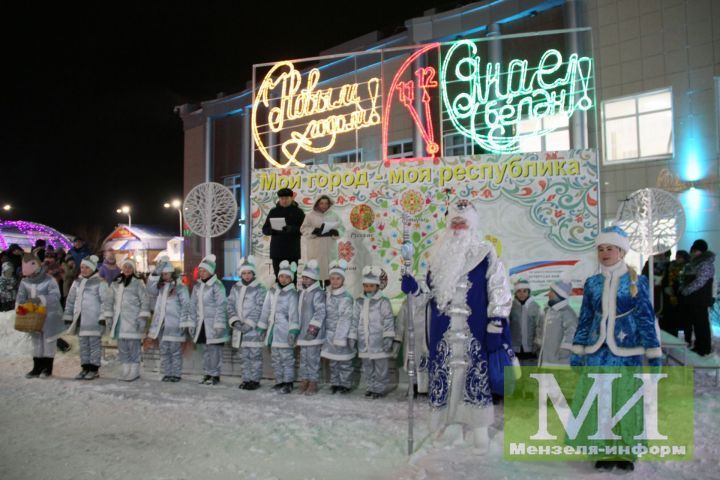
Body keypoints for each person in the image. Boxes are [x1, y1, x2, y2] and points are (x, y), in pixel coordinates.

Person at [401, 200, 515, 454]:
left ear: (472, 224)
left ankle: (479, 433)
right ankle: (447, 426)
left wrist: (497, 320)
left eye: (463, 221)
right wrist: (416, 288)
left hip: (475, 330)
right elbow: (429, 293)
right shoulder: (437, 255)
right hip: (444, 331)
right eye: (454, 221)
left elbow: (499, 287)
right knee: (444, 379)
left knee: (476, 380)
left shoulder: (485, 253)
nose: (458, 225)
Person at [570, 226, 662, 471]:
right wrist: (578, 348)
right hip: (597, 350)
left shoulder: (636, 281)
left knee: (626, 398)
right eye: (600, 249)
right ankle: (603, 450)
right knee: (600, 398)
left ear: (621, 251)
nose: (604, 252)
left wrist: (653, 352)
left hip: (627, 350)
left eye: (610, 248)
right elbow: (586, 317)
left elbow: (645, 317)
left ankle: (625, 451)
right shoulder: (592, 283)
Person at [63, 255, 111, 380]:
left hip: (94, 320)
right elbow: (70, 300)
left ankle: (94, 369)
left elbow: (105, 301)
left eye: (86, 267)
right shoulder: (77, 282)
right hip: (81, 321)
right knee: (83, 345)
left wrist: (103, 317)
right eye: (82, 267)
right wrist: (68, 315)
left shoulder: (100, 283)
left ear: (93, 268)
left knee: (94, 344)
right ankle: (85, 367)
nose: (83, 270)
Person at [17, 253, 64, 378]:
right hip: (33, 317)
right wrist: (20, 307)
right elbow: (21, 296)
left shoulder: (49, 280)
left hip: (50, 315)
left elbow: (55, 296)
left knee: (48, 341)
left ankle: (47, 368)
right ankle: (36, 368)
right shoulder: (25, 282)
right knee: (36, 341)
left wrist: (41, 299)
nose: (30, 276)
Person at [257, 260, 299, 394]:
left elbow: (294, 314)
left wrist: (293, 331)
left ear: (291, 278)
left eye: (287, 277)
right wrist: (262, 327)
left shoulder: (292, 293)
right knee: (276, 359)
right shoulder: (272, 291)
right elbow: (265, 309)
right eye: (281, 276)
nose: (284, 279)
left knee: (287, 359)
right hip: (273, 332)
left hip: (285, 331)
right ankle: (279, 381)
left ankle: (288, 382)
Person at [354, 265, 395, 399]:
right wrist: (352, 336)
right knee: (367, 366)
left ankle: (380, 388)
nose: (368, 289)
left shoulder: (383, 302)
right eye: (366, 286)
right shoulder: (359, 301)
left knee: (380, 367)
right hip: (364, 341)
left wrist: (388, 337)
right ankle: (371, 386)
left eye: (371, 286)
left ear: (377, 286)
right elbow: (354, 319)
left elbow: (388, 319)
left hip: (379, 342)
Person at [106, 258, 150, 381]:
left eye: (130, 267)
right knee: (122, 346)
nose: (127, 269)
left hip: (133, 320)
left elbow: (145, 301)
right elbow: (109, 300)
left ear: (133, 269)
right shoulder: (116, 283)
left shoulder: (138, 283)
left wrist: (142, 317)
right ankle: (126, 369)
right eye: (125, 267)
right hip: (119, 320)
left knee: (133, 346)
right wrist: (109, 316)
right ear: (122, 268)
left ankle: (135, 370)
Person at [147, 262, 192, 382]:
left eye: (166, 274)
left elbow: (186, 305)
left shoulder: (181, 287)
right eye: (162, 274)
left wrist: (183, 322)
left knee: (175, 351)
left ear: (172, 273)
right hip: (162, 326)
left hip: (175, 325)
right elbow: (150, 290)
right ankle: (167, 373)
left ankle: (176, 374)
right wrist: (155, 274)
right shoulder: (160, 287)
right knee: (164, 351)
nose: (164, 276)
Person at [227, 256, 267, 390]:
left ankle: (254, 380)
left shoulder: (260, 288)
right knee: (244, 356)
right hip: (239, 329)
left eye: (249, 273)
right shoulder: (235, 288)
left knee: (255, 355)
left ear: (253, 273)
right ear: (240, 274)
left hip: (253, 329)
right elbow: (230, 305)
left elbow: (259, 307)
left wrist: (249, 323)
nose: (247, 275)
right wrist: (235, 321)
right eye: (244, 273)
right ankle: (246, 378)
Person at [189, 254, 229, 386]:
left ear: (211, 271)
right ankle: (207, 373)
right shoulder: (197, 287)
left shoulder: (217, 286)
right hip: (202, 325)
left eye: (204, 270)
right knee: (205, 350)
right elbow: (193, 306)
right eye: (200, 270)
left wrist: (219, 324)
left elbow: (221, 305)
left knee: (215, 351)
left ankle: (215, 375)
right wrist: (192, 322)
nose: (202, 273)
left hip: (213, 325)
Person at [320, 260, 356, 394]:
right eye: (332, 278)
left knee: (344, 362)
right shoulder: (328, 295)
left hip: (342, 335)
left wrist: (340, 337)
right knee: (334, 361)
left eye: (338, 278)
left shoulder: (346, 298)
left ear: (343, 279)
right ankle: (335, 383)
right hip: (330, 334)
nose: (335, 281)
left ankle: (345, 384)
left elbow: (345, 318)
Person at [679, 239, 715, 356]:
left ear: (701, 251)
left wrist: (686, 290)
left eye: (696, 250)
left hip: (701, 299)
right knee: (697, 324)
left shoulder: (706, 265)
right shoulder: (695, 264)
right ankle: (699, 345)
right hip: (694, 299)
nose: (693, 253)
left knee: (702, 324)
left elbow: (699, 282)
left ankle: (704, 348)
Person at [261, 188, 305, 284]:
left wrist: (292, 229)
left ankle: (292, 297)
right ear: (279, 199)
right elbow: (265, 229)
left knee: (292, 277)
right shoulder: (273, 212)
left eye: (286, 198)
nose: (284, 201)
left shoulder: (299, 212)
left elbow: (305, 229)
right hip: (277, 252)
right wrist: (272, 230)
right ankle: (279, 298)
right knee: (278, 277)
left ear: (291, 198)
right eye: (282, 198)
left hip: (292, 252)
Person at [296, 260, 326, 396]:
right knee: (304, 358)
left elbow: (320, 312)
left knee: (312, 358)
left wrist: (312, 330)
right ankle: (305, 379)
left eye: (307, 277)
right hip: (303, 333)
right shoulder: (303, 292)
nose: (305, 279)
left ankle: (313, 381)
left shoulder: (318, 293)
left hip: (314, 334)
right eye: (304, 277)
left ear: (314, 278)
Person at [300, 195, 342, 285]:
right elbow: (303, 228)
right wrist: (314, 230)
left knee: (330, 276)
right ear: (317, 203)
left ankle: (330, 295)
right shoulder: (310, 215)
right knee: (316, 276)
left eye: (326, 203)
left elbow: (342, 228)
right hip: (316, 249)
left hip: (329, 249)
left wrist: (336, 232)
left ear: (329, 204)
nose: (324, 205)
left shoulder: (334, 215)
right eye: (321, 203)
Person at [535, 280, 577, 367]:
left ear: (559, 294)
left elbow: (572, 333)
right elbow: (540, 330)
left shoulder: (567, 313)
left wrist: (564, 352)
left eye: (551, 291)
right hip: (545, 359)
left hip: (559, 362)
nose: (548, 294)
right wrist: (538, 345)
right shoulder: (547, 311)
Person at [509, 277, 541, 363]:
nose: (522, 294)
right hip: (514, 349)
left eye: (524, 291)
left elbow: (539, 326)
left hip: (531, 350)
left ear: (528, 292)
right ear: (515, 292)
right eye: (519, 291)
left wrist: (537, 343)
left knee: (529, 374)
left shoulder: (535, 307)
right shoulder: (511, 307)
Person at [661, 250, 689, 337]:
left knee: (678, 320)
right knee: (668, 319)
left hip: (680, 298)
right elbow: (664, 279)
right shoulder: (669, 266)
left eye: (680, 257)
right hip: (668, 297)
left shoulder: (686, 267)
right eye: (677, 256)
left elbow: (685, 282)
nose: (677, 259)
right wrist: (665, 288)